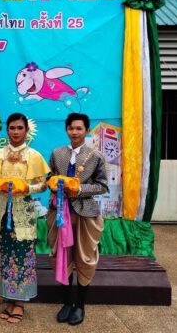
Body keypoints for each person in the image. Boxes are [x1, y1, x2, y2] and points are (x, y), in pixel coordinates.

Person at [0, 113, 50, 324]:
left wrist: (25, 188)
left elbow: (42, 184)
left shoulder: (34, 156)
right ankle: (8, 299)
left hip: (24, 213)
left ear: (26, 130)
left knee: (23, 256)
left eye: (19, 128)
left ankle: (20, 302)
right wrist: (1, 186)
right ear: (7, 130)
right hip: (4, 211)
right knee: (5, 255)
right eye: (12, 128)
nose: (15, 132)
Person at [46, 113, 108, 325]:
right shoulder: (57, 153)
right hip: (59, 214)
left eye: (79, 128)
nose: (75, 132)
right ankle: (66, 303)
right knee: (61, 257)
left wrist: (79, 189)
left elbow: (102, 186)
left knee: (84, 258)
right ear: (66, 129)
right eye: (71, 128)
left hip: (85, 214)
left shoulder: (95, 156)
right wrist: (54, 185)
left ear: (87, 130)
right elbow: (49, 178)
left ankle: (80, 306)